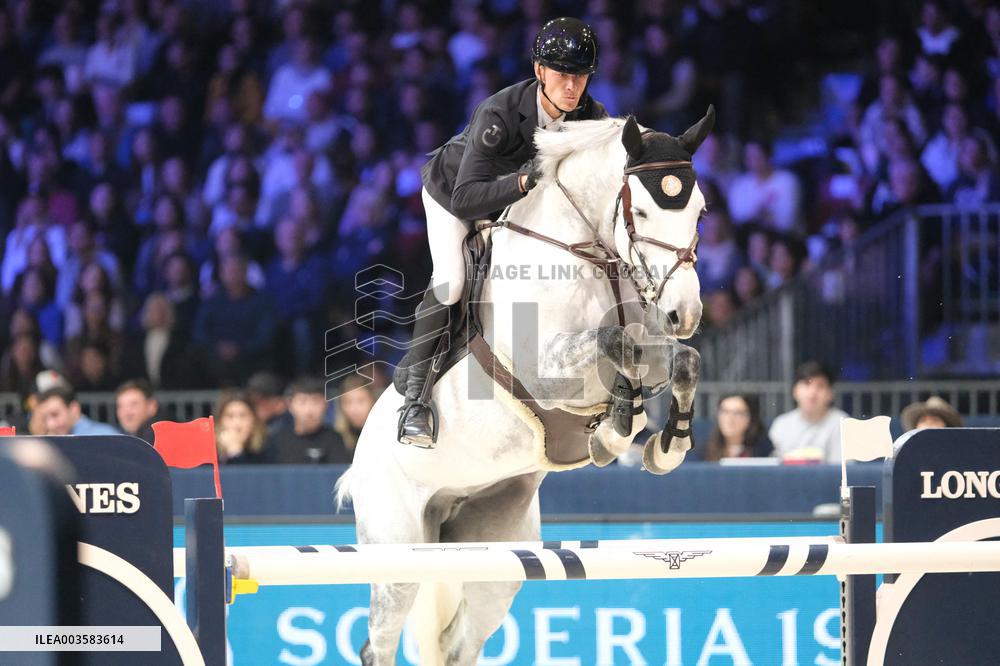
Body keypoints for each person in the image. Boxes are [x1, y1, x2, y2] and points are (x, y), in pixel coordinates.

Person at [399, 17, 607, 447]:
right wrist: (523, 182)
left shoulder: (590, 115)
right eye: (563, 75)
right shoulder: (500, 112)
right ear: (539, 72)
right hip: (453, 192)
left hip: (516, 202)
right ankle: (414, 402)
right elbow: (466, 199)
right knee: (453, 282)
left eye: (581, 77)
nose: (573, 87)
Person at [769, 361, 848, 463]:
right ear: (795, 391)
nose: (813, 392)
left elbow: (843, 470)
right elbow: (773, 466)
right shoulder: (781, 424)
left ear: (830, 394)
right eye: (807, 384)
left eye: (820, 386)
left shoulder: (842, 424)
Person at [264, 377, 351, 464]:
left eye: (315, 402)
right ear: (290, 405)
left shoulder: (335, 439)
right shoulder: (276, 441)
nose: (309, 410)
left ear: (326, 405)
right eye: (302, 402)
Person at [702, 393, 774, 461]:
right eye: (725, 412)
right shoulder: (703, 451)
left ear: (751, 418)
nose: (729, 419)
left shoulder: (765, 452)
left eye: (737, 413)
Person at [35, 384, 120, 436]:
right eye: (45, 418)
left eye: (55, 414)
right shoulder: (53, 443)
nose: (50, 425)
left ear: (74, 409)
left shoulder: (105, 436)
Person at [214, 390, 267, 464]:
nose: (236, 424)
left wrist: (236, 452)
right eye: (230, 416)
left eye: (243, 416)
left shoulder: (265, 449)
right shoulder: (209, 452)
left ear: (253, 419)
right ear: (220, 421)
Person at [333, 374, 378, 452]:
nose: (355, 409)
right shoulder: (334, 439)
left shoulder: (386, 435)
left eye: (361, 401)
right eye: (348, 402)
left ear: (373, 402)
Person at [115, 378, 161, 444]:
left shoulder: (158, 438)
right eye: (120, 406)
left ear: (151, 406)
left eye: (134, 404)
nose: (127, 413)